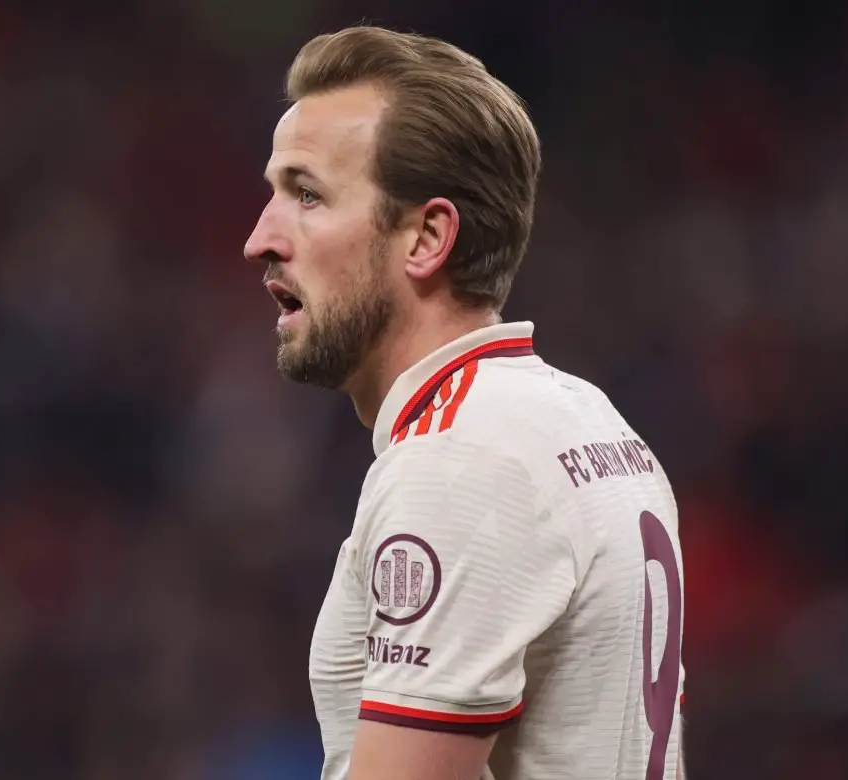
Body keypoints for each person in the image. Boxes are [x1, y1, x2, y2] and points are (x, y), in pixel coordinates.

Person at [243, 25, 686, 780]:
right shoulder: (586, 418)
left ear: (426, 237)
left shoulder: (460, 463)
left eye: (308, 195)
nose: (261, 239)